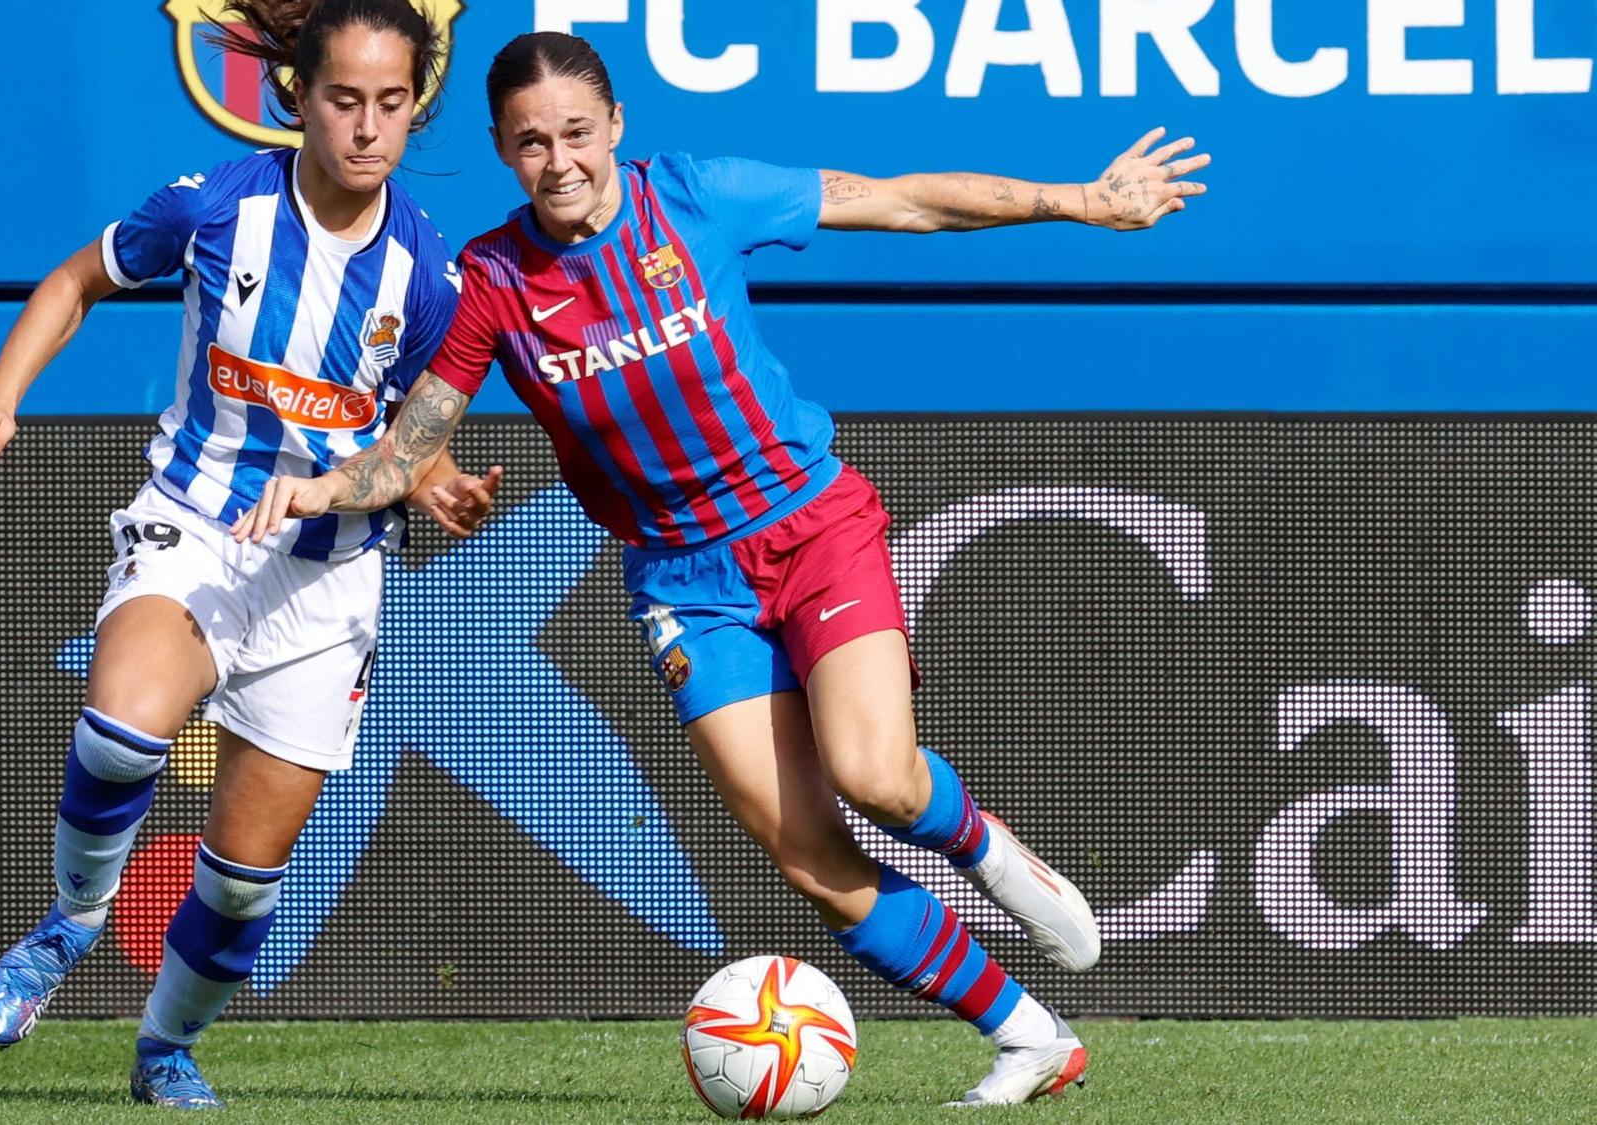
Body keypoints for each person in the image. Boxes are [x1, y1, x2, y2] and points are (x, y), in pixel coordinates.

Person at [242, 30, 1210, 1107]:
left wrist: (1078, 200)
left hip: (807, 528)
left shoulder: (699, 197)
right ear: (501, 151)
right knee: (805, 857)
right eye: (529, 142)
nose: (557, 159)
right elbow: (411, 442)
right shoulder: (494, 282)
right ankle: (1030, 1039)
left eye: (574, 132)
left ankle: (987, 853)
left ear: (615, 128)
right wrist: (326, 490)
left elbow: (900, 201)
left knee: (876, 776)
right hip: (681, 584)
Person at [0, 0, 498, 1108]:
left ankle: (163, 1049)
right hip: (198, 524)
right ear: (297, 96)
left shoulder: (431, 278)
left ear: (415, 109)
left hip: (329, 577)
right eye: (344, 99)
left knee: (242, 885)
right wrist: (1, 394)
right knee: (121, 726)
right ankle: (71, 924)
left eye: (392, 105)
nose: (366, 128)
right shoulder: (215, 208)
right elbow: (74, 283)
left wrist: (440, 484)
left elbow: (412, 440)